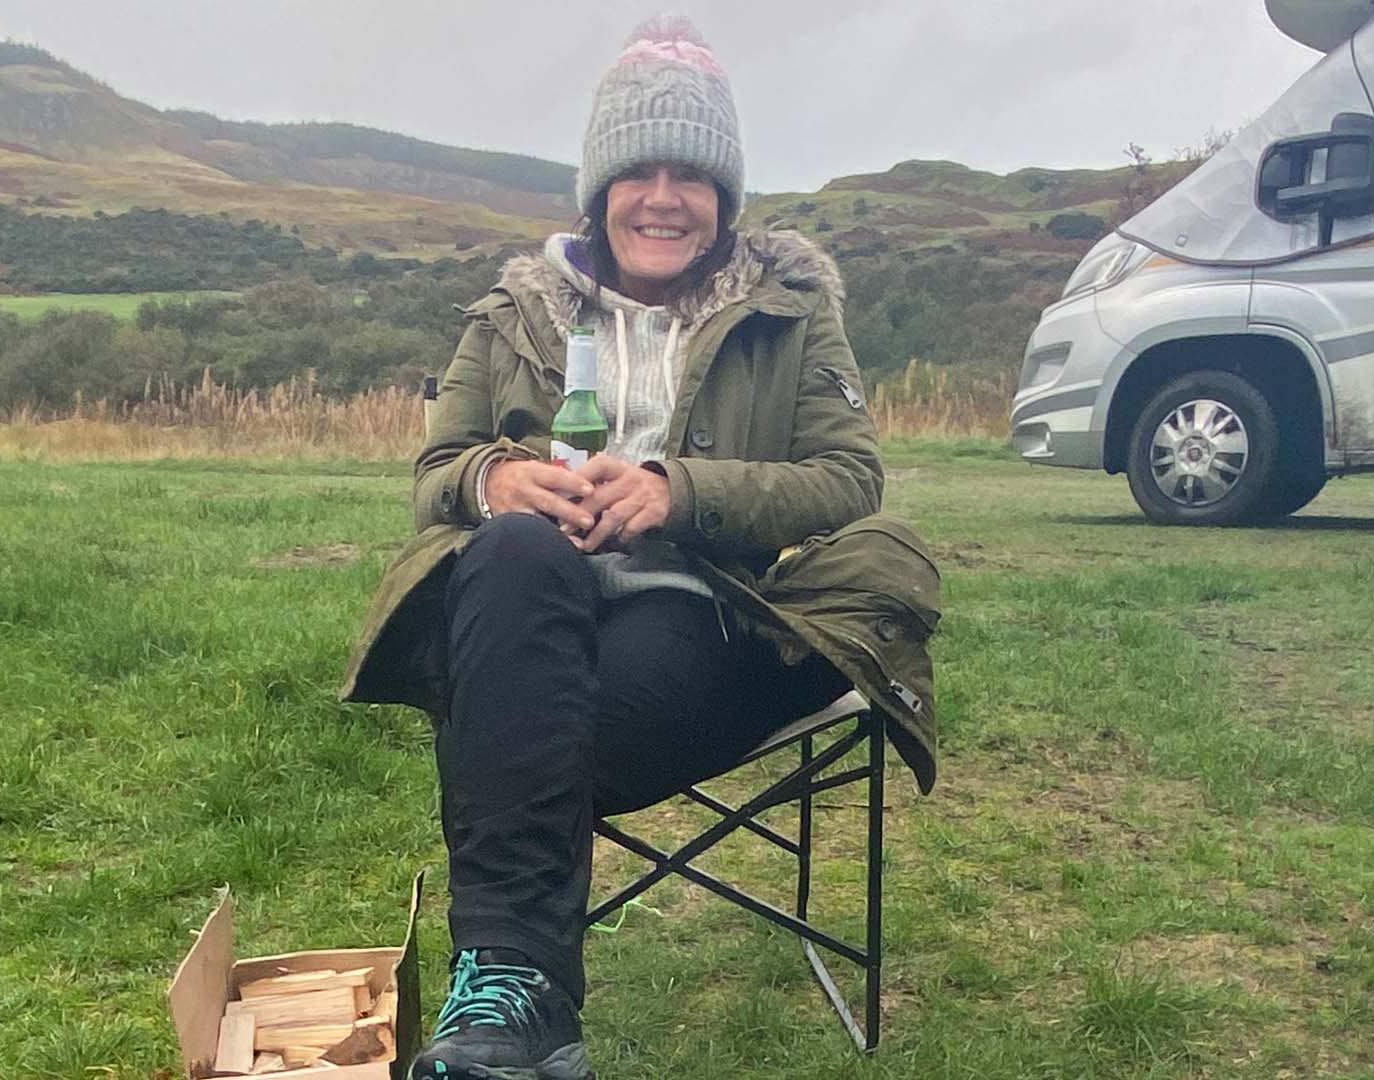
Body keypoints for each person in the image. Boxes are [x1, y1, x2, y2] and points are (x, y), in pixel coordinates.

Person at [341, 16, 941, 1079]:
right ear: (600, 187)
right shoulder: (513, 309)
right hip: (528, 597)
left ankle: (512, 992)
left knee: (511, 731)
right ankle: (526, 1014)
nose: (663, 197)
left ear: (723, 197)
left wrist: (678, 491)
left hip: (702, 607)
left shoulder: (791, 311)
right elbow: (435, 477)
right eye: (638, 171)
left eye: (692, 175)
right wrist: (494, 479)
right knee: (515, 558)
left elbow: (850, 480)